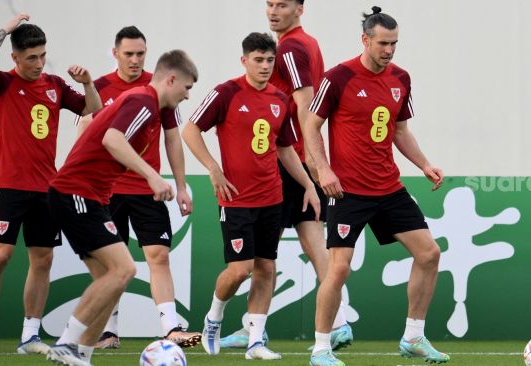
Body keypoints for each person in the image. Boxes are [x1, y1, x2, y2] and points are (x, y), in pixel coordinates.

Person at [304, 7, 450, 366]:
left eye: (394, 43)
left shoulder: (401, 78)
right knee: (338, 268)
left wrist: (425, 164)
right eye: (383, 43)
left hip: (388, 188)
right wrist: (323, 170)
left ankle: (413, 337)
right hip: (347, 190)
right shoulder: (337, 77)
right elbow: (310, 126)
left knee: (429, 254)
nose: (389, 50)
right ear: (365, 40)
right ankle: (321, 348)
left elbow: (400, 131)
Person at [46, 49, 197, 366]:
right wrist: (153, 176)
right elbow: (112, 140)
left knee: (110, 282)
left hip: (91, 197)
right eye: (186, 87)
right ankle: (66, 342)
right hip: (76, 192)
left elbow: (103, 128)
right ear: (171, 79)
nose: (187, 95)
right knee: (124, 269)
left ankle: (80, 355)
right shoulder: (143, 100)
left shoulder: (149, 106)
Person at [220, 0, 354, 351]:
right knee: (315, 246)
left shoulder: (291, 48)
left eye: (282, 4)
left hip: (284, 160)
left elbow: (305, 104)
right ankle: (339, 322)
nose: (273, 11)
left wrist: (312, 161)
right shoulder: (306, 42)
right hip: (300, 160)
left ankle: (256, 329)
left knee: (264, 256)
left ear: (300, 8)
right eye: (269, 4)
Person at [182, 32, 319, 360]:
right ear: (244, 60)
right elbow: (190, 130)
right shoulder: (225, 93)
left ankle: (256, 340)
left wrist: (309, 184)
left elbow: (285, 149)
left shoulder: (279, 99)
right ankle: (214, 317)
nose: (264, 66)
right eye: (258, 60)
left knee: (266, 268)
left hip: (272, 197)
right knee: (239, 269)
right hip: (236, 199)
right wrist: (213, 168)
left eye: (270, 60)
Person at [0, 14, 101, 355]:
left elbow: (95, 110)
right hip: (10, 185)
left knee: (42, 259)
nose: (39, 63)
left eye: (43, 55)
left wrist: (88, 83)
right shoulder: (1, 83)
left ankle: (30, 335)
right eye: (32, 57)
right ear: (15, 57)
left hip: (47, 188)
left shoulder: (55, 85)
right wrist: (4, 30)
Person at [81, 25, 200, 350]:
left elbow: (172, 138)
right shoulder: (101, 88)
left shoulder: (161, 86)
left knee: (158, 255)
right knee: (111, 266)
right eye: (129, 53)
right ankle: (108, 330)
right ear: (115, 53)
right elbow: (88, 134)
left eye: (140, 54)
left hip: (148, 189)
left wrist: (181, 186)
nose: (134, 60)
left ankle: (171, 327)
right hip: (106, 189)